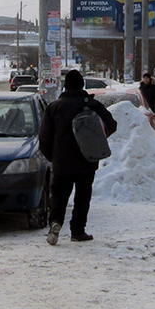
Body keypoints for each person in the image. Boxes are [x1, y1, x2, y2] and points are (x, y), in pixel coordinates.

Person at [39, 69, 117, 245]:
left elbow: (43, 138)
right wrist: (96, 142)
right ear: (82, 85)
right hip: (87, 160)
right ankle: (78, 231)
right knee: (82, 196)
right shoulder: (92, 105)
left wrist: (53, 157)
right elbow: (112, 125)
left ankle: (55, 224)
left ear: (65, 86)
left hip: (61, 161)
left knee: (58, 195)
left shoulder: (54, 107)